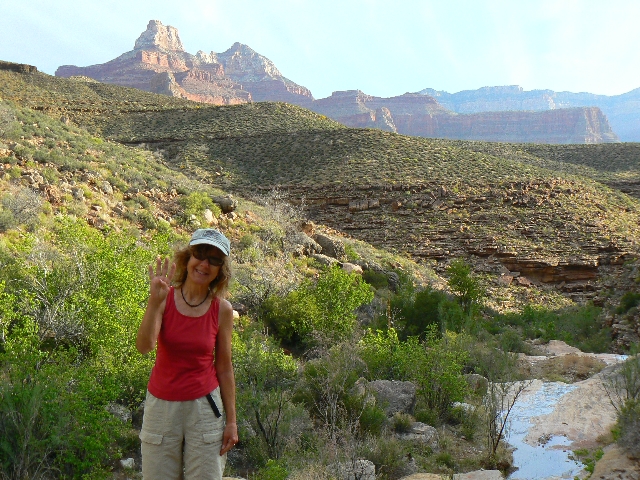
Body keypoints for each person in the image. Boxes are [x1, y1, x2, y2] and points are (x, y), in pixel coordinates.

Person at [136, 228, 238, 479]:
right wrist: (154, 302)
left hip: (204, 408)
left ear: (220, 269)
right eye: (199, 254)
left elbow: (224, 368)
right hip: (161, 406)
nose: (204, 264)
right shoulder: (165, 297)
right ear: (187, 258)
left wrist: (232, 422)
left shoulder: (222, 310)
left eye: (214, 259)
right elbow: (145, 346)